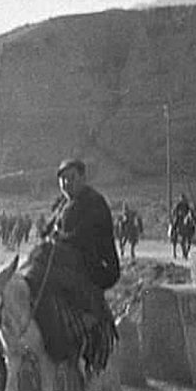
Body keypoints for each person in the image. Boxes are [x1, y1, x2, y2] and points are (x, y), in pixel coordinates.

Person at [18, 159, 120, 374]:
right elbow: (48, 230)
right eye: (62, 179)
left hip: (95, 265)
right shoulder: (62, 203)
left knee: (44, 265)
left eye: (71, 178)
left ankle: (59, 343)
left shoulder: (94, 203)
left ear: (83, 178)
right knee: (37, 258)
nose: (66, 183)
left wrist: (57, 240)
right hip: (68, 259)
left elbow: (83, 237)